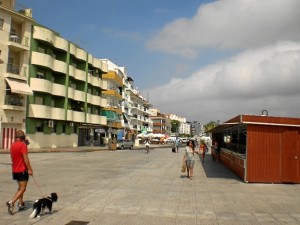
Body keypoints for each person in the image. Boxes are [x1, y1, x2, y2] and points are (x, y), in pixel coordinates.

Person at [6, 130, 33, 215]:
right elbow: (25, 158)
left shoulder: (12, 145)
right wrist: (29, 169)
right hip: (22, 170)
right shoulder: (23, 145)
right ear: (22, 138)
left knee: (20, 187)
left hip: (15, 170)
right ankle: (12, 202)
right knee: (23, 188)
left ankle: (21, 204)